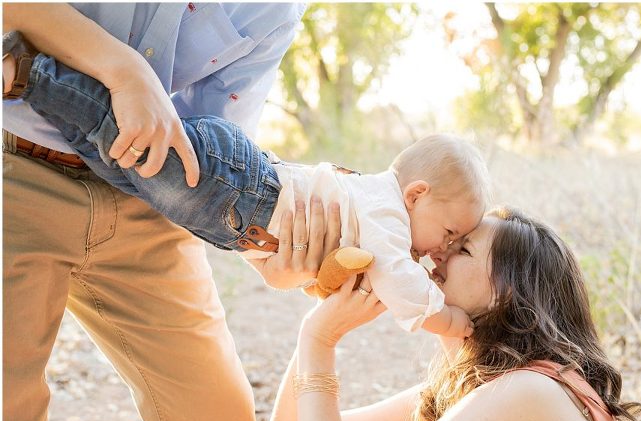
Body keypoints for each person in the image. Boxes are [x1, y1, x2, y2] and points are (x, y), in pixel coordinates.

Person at [2, 3, 314, 421]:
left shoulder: (273, 10)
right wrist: (124, 70)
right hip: (16, 165)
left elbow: (213, 152)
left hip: (146, 199)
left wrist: (260, 244)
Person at [4, 36, 490, 337]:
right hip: (233, 185)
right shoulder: (387, 215)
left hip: (231, 191)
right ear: (416, 195)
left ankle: (43, 90)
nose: (443, 249)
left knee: (113, 151)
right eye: (449, 233)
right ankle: (30, 73)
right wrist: (444, 317)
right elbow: (397, 279)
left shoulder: (374, 202)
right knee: (126, 136)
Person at [263, 207, 641, 421]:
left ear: (506, 292)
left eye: (462, 249)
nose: (434, 254)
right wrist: (325, 310)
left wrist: (320, 340)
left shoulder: (531, 395)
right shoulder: (474, 392)